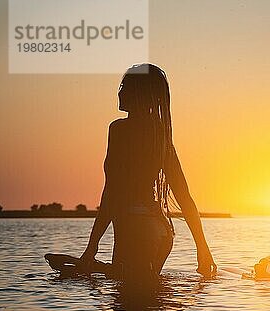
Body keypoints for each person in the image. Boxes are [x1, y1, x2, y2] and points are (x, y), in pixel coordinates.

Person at [79, 63, 217, 287]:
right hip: (161, 229)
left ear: (139, 93)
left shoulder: (119, 130)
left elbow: (111, 192)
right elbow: (184, 197)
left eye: (125, 86)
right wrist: (203, 250)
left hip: (135, 228)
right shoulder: (160, 135)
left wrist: (91, 248)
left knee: (130, 308)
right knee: (150, 304)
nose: (120, 91)